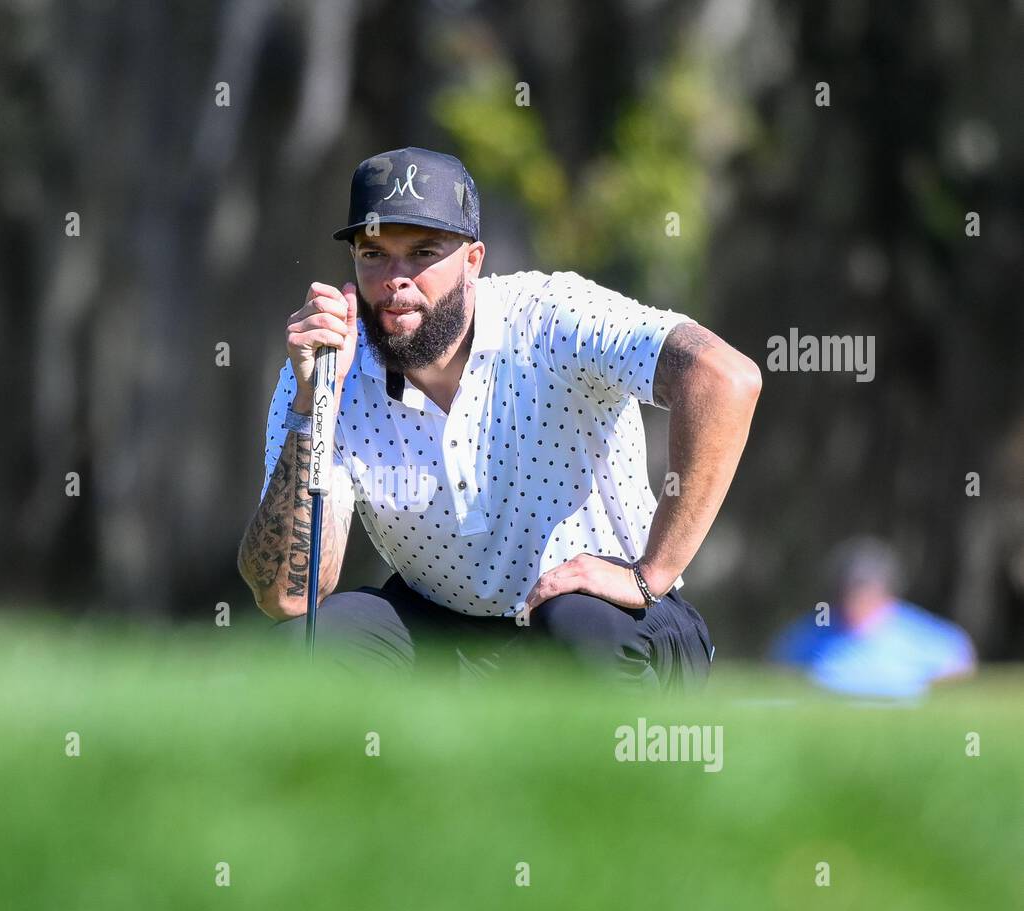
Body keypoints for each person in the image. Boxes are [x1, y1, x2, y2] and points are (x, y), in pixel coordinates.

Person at [236, 147, 761, 690]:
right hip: (444, 624)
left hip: (609, 617)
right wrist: (311, 404)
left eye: (422, 252)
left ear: (473, 260)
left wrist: (652, 574)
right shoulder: (324, 372)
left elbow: (724, 378)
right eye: (373, 254)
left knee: (575, 622)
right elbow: (289, 597)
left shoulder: (553, 314)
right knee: (305, 650)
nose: (396, 279)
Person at [770, 537, 977, 699]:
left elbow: (960, 663)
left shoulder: (917, 632)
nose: (857, 598)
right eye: (851, 588)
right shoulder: (813, 632)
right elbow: (780, 665)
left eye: (866, 588)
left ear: (886, 591)